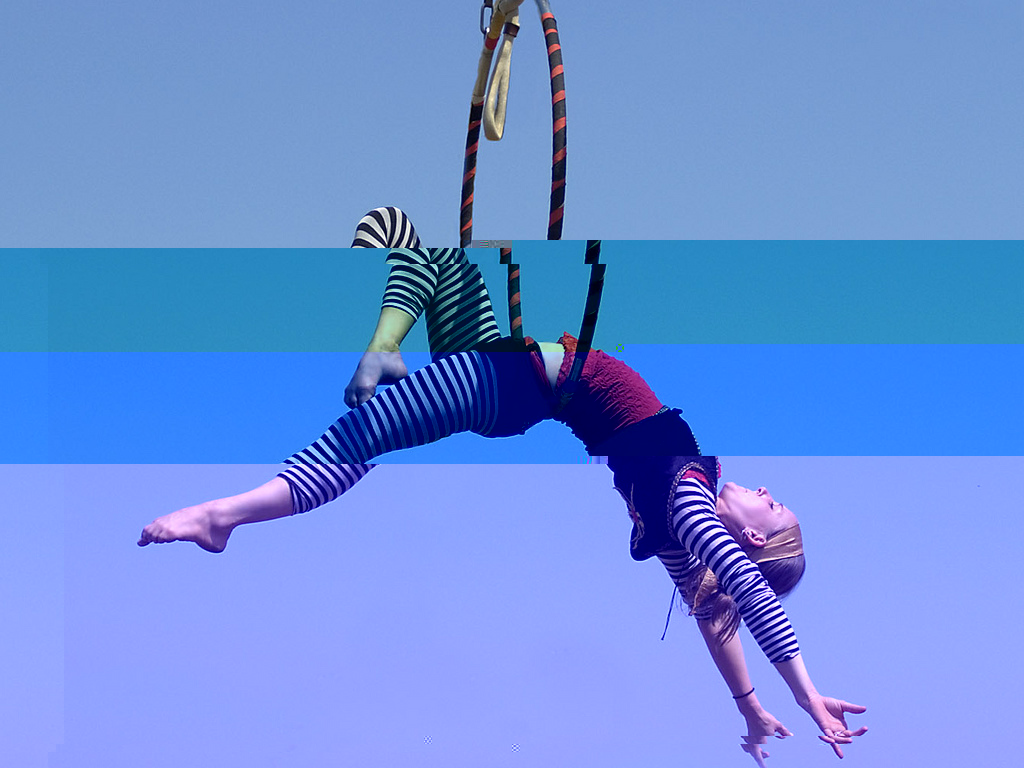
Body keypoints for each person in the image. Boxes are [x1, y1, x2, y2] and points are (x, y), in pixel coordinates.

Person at [139, 209, 867, 765]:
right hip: (511, 366)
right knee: (432, 256)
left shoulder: (687, 505)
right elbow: (714, 620)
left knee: (359, 439)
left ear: (752, 535)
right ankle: (385, 348)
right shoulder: (684, 522)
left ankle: (222, 517)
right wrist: (746, 706)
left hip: (509, 386)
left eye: (774, 508)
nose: (768, 492)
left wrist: (804, 694)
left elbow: (744, 593)